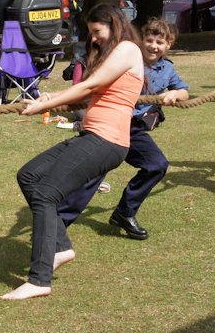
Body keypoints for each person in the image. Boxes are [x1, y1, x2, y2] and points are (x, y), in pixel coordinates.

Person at [1, 3, 144, 300]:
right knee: (29, 175)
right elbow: (92, 93)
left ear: (114, 24)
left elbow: (90, 84)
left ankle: (40, 279)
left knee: (45, 193)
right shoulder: (112, 54)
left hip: (108, 140)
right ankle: (62, 247)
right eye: (90, 33)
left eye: (97, 31)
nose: (93, 38)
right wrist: (54, 96)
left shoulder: (128, 48)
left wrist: (45, 104)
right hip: (92, 135)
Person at [56, 18, 189, 241]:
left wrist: (176, 94)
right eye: (149, 40)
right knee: (93, 175)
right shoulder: (127, 59)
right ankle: (57, 222)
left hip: (133, 128)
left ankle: (124, 213)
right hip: (108, 123)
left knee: (156, 165)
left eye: (160, 42)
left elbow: (184, 90)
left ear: (169, 46)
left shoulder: (167, 69)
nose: (154, 46)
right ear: (141, 41)